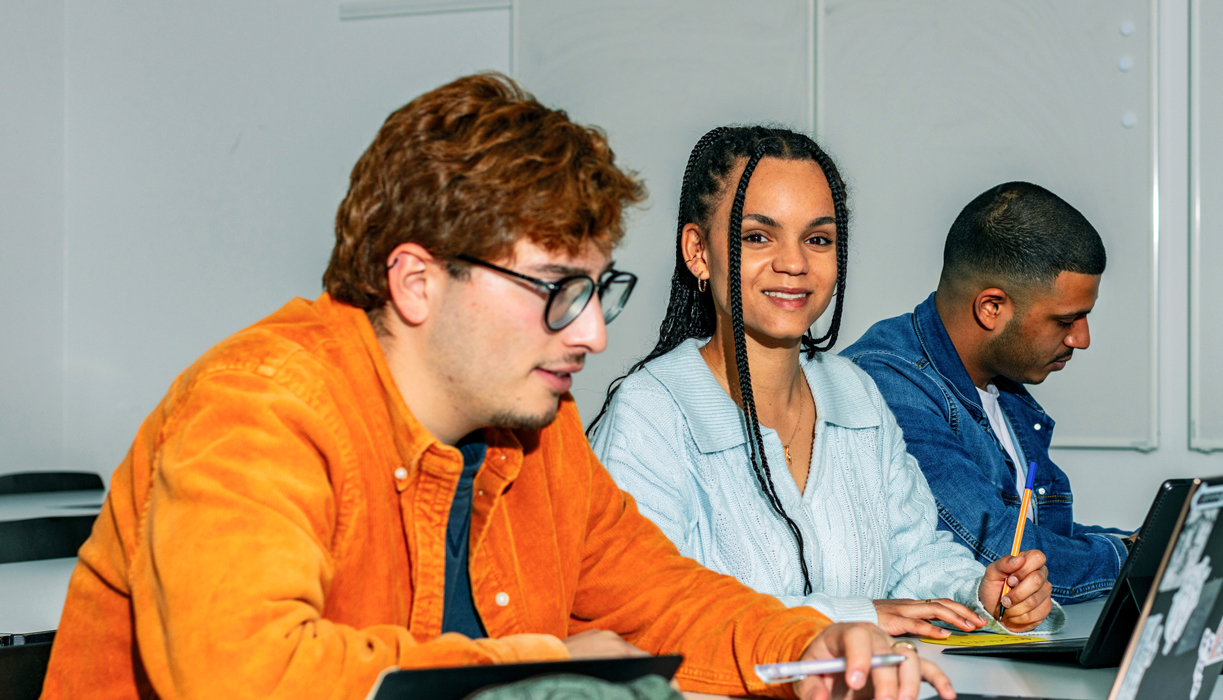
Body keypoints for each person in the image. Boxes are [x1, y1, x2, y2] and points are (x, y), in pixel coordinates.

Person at [41, 74, 951, 700]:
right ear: (417, 281)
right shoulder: (259, 407)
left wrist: (810, 646)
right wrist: (540, 668)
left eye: (597, 291)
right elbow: (247, 675)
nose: (593, 334)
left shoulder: (537, 430)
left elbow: (665, 596)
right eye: (555, 289)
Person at [587, 127, 1060, 641]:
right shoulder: (649, 414)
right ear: (698, 251)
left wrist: (979, 593)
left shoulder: (855, 393)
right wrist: (850, 615)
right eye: (757, 236)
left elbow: (916, 556)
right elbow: (643, 609)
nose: (794, 264)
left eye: (817, 240)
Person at [842, 182, 1128, 604]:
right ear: (991, 307)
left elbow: (1042, 536)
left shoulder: (1002, 388)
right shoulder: (888, 385)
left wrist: (1140, 542)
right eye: (1067, 320)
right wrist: (1130, 556)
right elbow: (999, 551)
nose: (1081, 339)